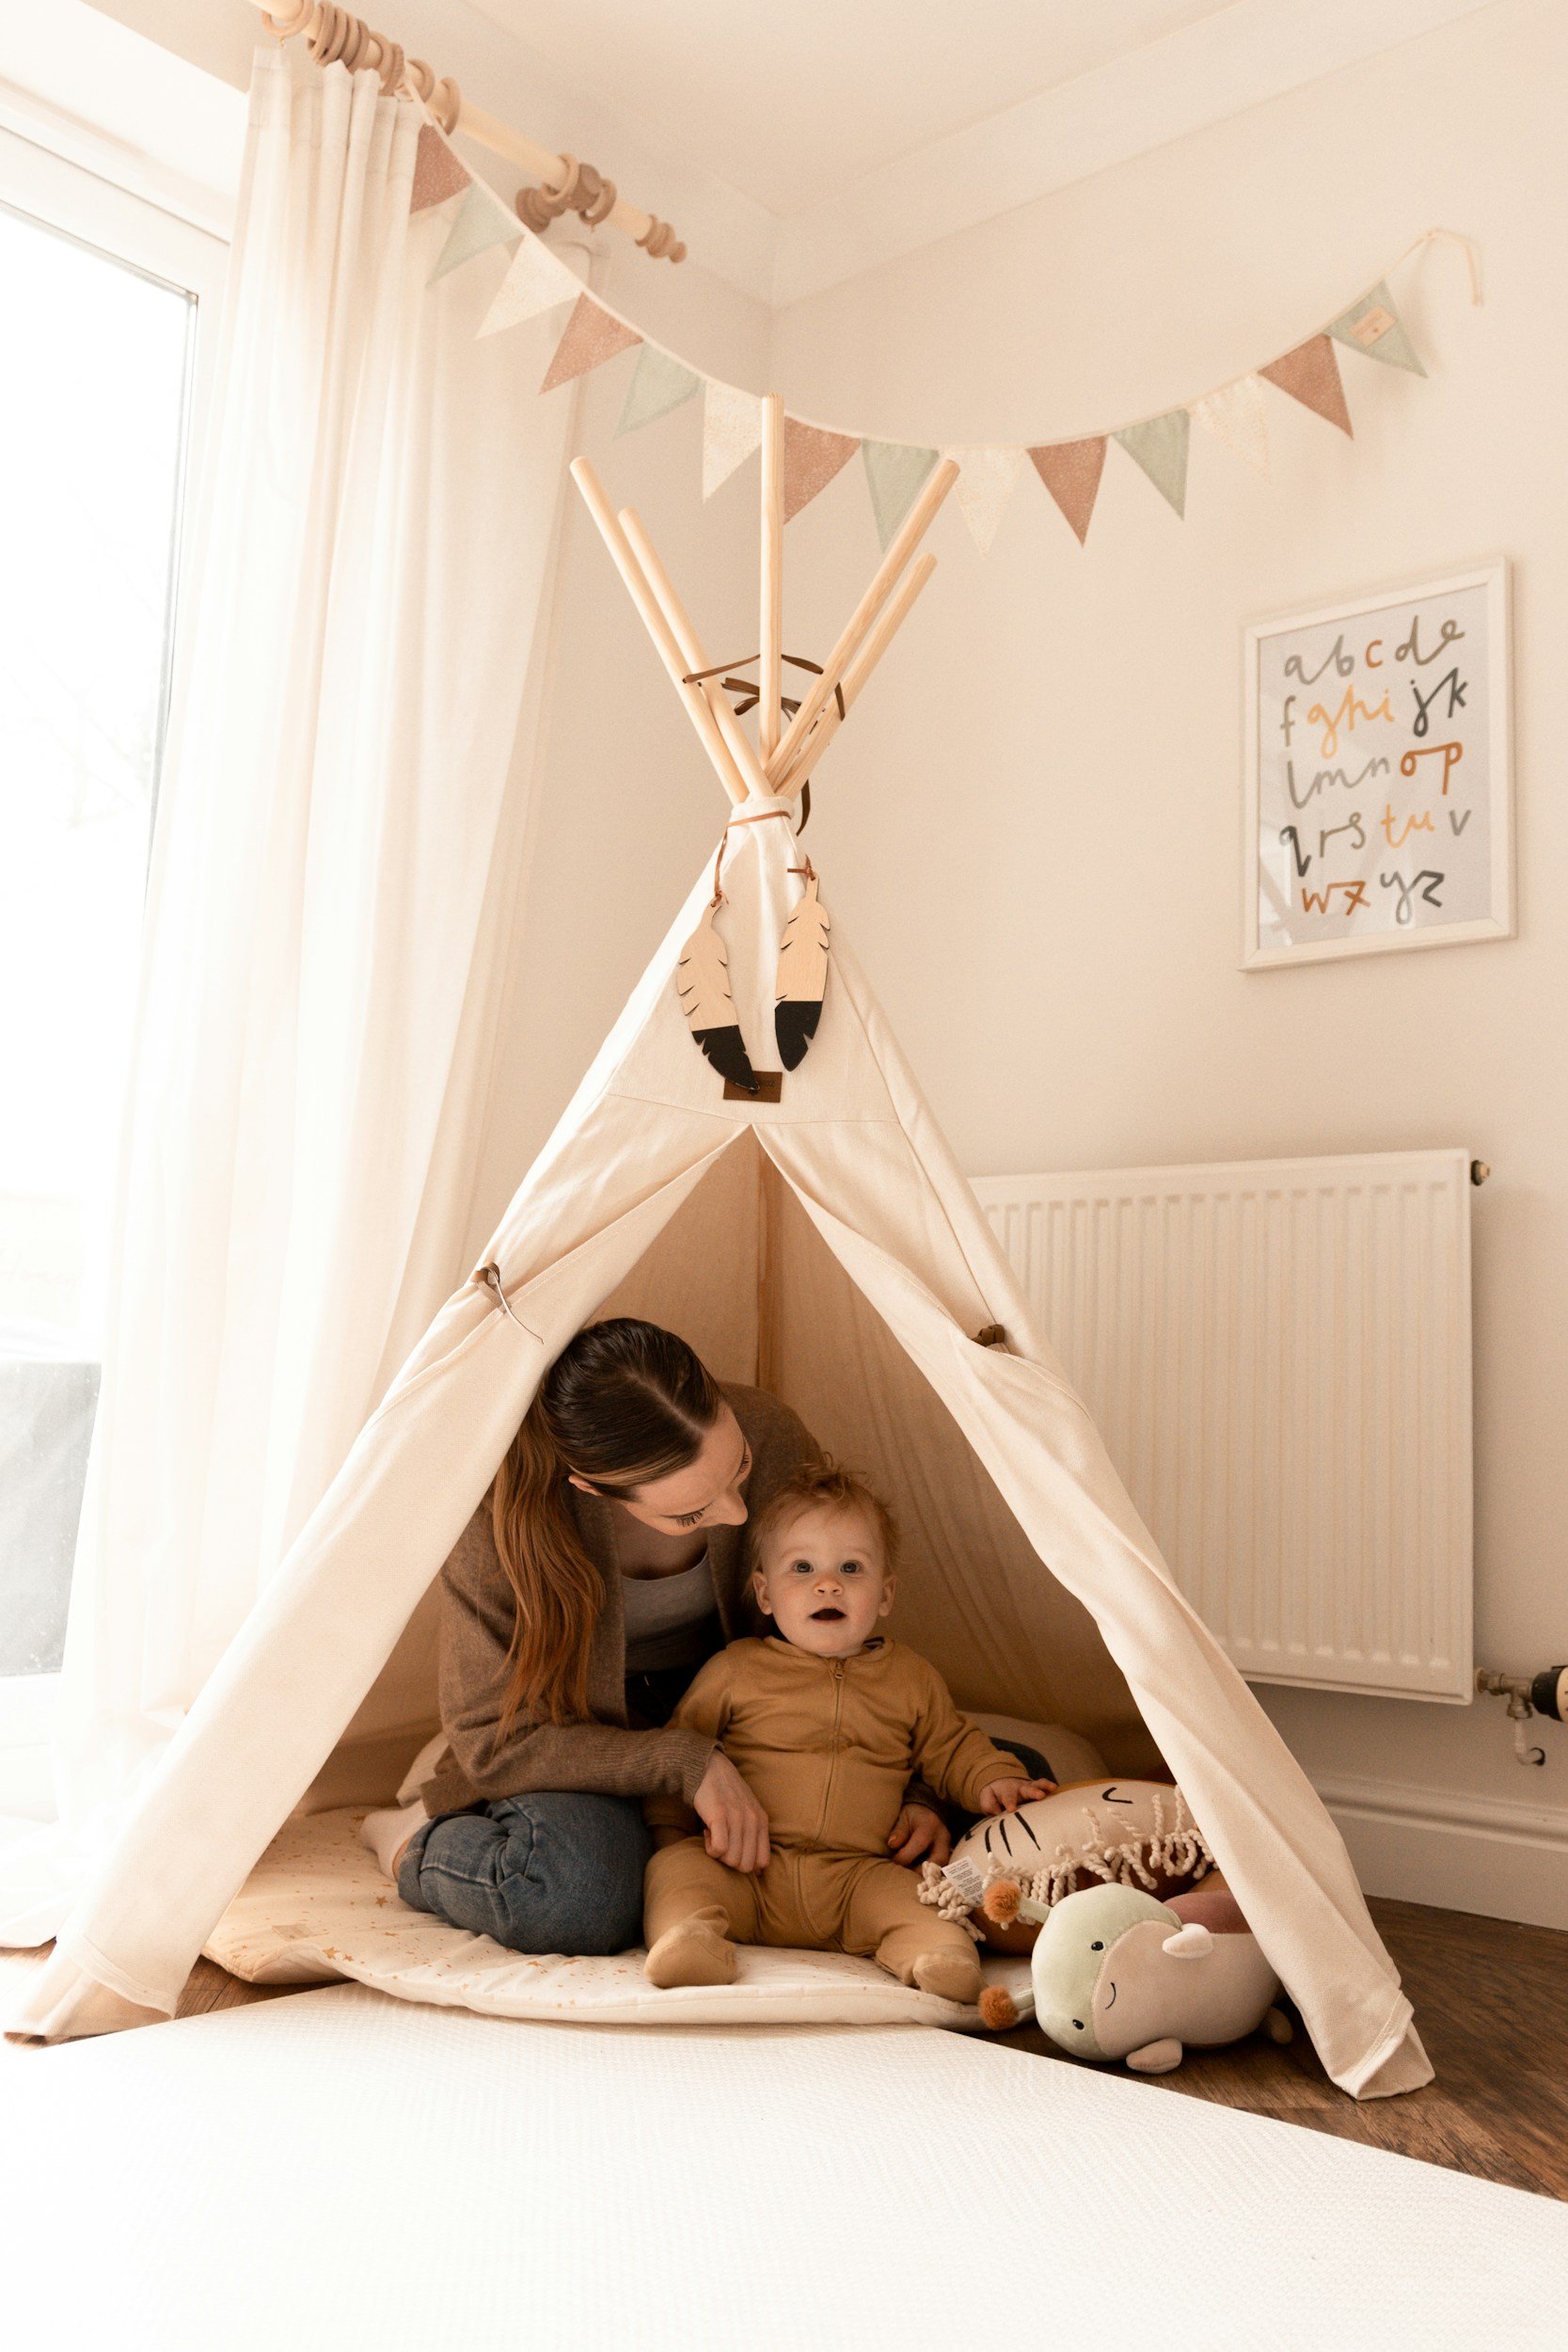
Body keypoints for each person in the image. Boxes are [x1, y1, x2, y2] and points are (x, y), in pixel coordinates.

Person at [360, 1319, 954, 1955]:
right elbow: (489, 1741)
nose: (738, 1514)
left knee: (1005, 1785)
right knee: (577, 1897)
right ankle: (409, 1840)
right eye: (692, 1513)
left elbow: (838, 1638)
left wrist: (912, 1789)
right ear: (589, 1485)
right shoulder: (498, 1514)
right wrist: (681, 1761)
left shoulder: (772, 1432)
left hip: (750, 1718)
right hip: (578, 1732)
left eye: (739, 1469)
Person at [641, 1459, 1054, 2002]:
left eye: (852, 1569)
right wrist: (672, 1840)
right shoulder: (735, 1670)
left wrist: (997, 1779)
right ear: (765, 1595)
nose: (828, 1584)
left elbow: (952, 1746)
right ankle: (688, 1942)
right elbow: (683, 1754)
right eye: (803, 1568)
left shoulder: (909, 1677)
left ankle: (937, 1958)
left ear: (885, 1595)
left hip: (859, 1874)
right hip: (746, 1868)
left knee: (925, 1903)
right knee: (676, 1876)